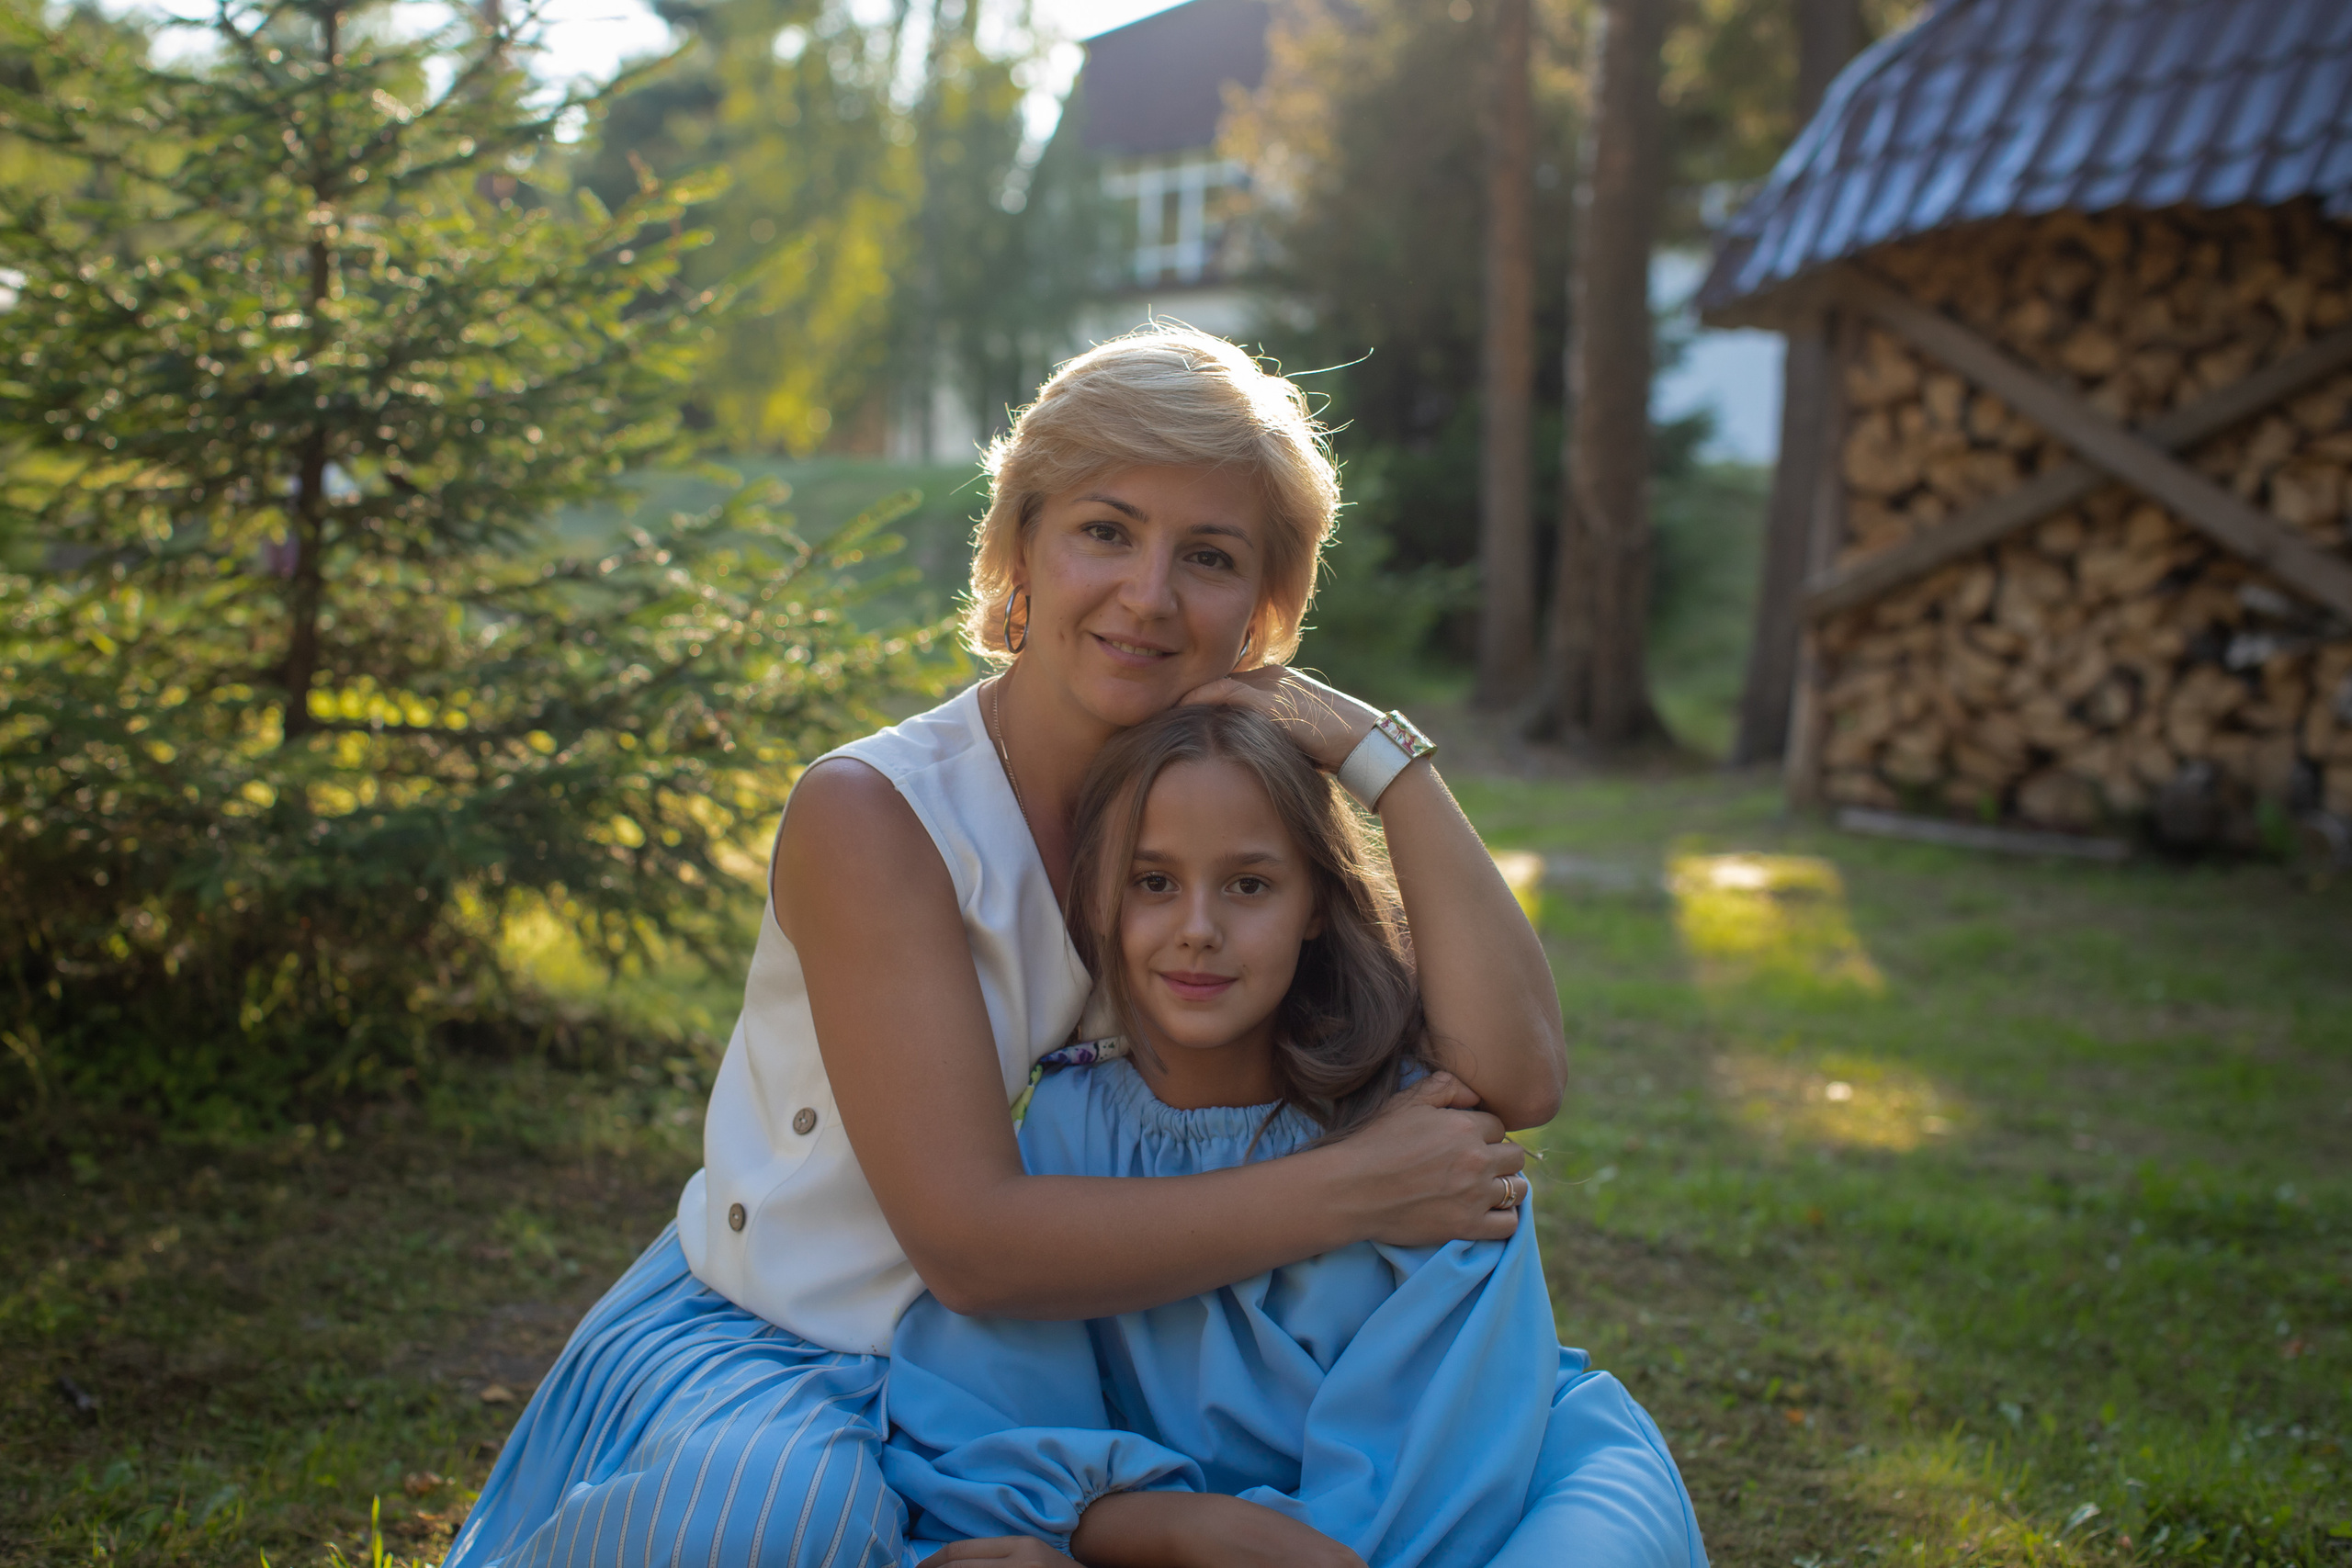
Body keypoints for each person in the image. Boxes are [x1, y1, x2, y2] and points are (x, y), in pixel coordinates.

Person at [441, 323, 1568, 1568]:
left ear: (1264, 607)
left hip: (1103, 1370)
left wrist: (1381, 757)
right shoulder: (878, 812)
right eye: (1105, 529)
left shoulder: (1222, 816)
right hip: (810, 1347)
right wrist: (1359, 1185)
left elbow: (1514, 1080)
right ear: (1019, 548)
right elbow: (968, 1245)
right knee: (788, 1524)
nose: (1147, 593)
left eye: (1207, 555)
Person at [883, 704, 1704, 1568]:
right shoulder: (1066, 1124)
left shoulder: (1421, 1133)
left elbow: (1443, 1475)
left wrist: (1381, 757)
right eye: (1153, 880)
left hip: (1498, 1495)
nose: (1199, 927)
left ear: (1315, 901)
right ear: (1097, 893)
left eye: (1249, 884)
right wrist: (1171, 1530)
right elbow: (983, 1433)